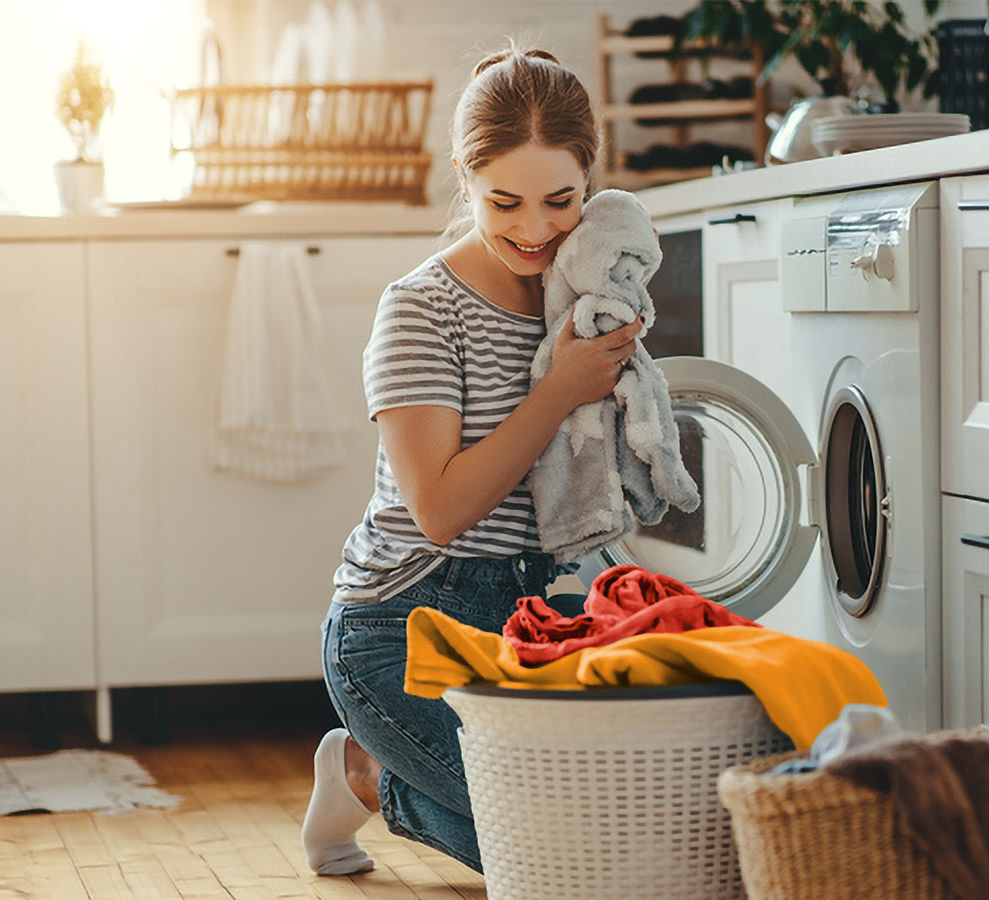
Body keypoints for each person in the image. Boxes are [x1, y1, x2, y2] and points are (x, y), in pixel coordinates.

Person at [300, 47, 644, 876]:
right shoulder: (421, 310)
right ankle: (366, 770)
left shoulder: (586, 297)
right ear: (464, 177)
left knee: (637, 829)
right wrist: (557, 390)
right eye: (505, 202)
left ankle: (391, 776)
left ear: (592, 182)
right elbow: (442, 512)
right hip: (401, 629)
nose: (534, 230)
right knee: (566, 862)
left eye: (561, 201)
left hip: (529, 619)